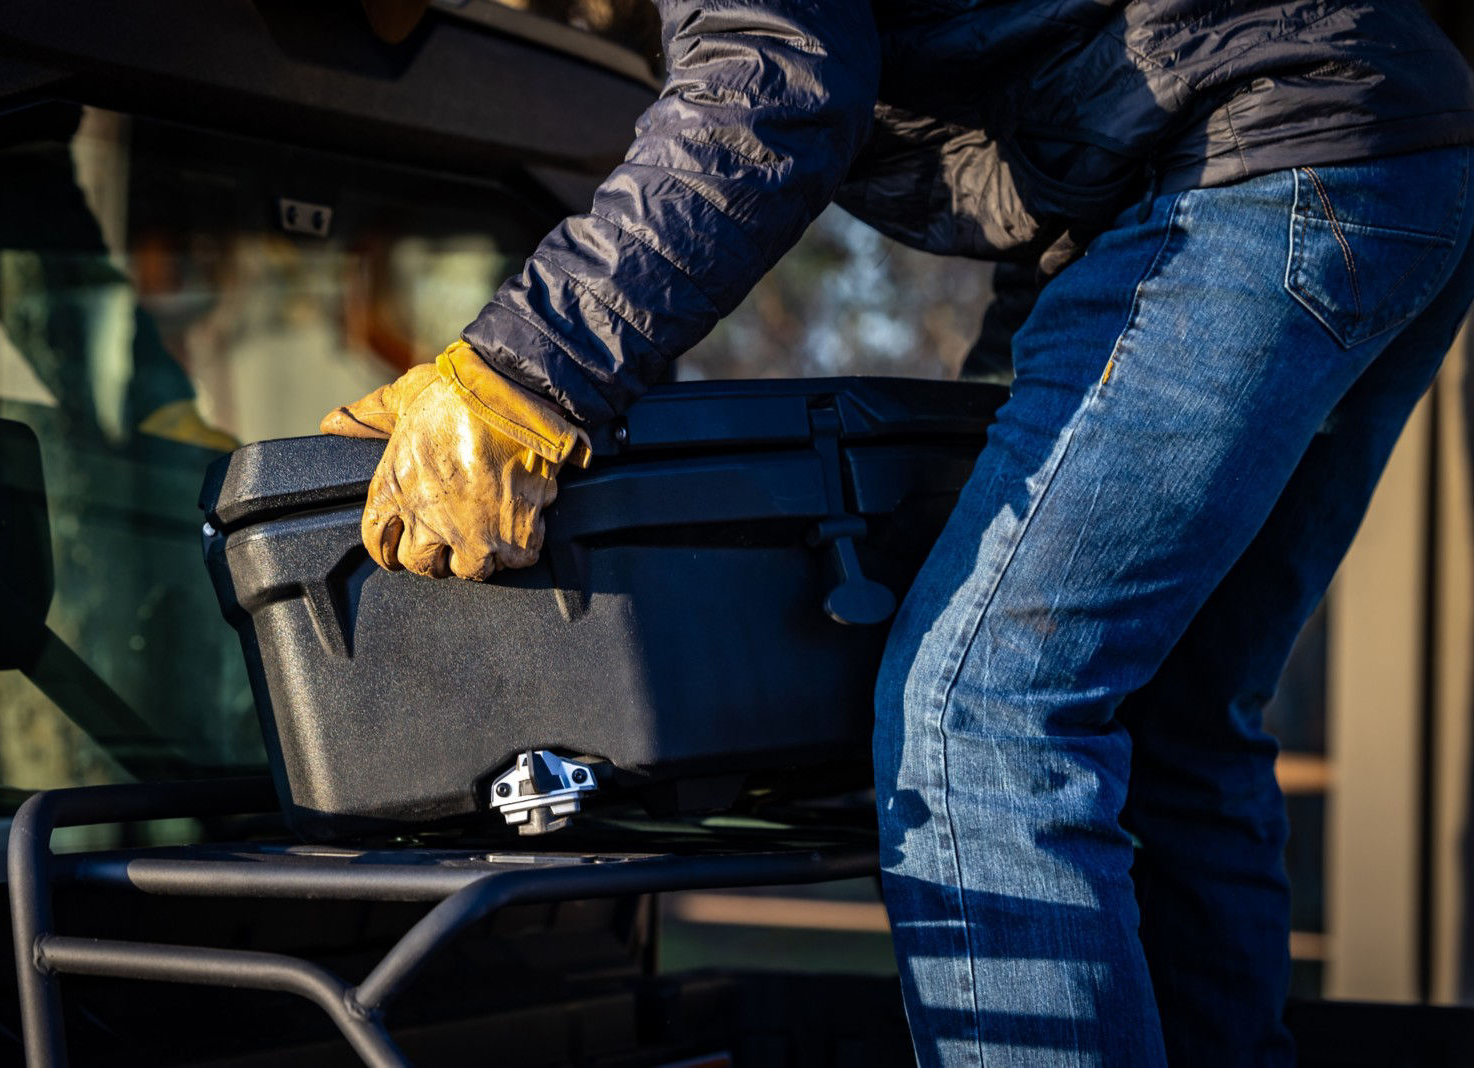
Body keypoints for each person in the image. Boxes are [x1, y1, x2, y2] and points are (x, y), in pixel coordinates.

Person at [321, 2, 1474, 1063]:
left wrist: (526, 373)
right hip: (1362, 152)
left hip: (1255, 154)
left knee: (981, 713)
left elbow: (770, 83)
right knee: (1168, 716)